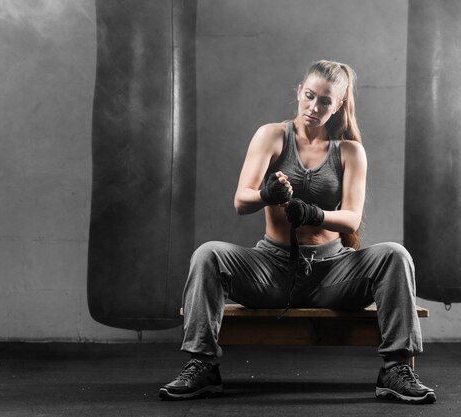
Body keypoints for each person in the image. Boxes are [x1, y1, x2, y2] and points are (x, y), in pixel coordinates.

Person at [159, 60, 436, 404]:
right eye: (309, 96)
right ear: (299, 92)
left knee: (396, 254)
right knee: (207, 254)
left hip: (333, 276)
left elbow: (351, 219)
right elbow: (241, 201)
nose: (313, 107)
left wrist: (315, 214)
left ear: (338, 106)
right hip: (272, 271)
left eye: (324, 101)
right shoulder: (273, 135)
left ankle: (395, 369)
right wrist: (265, 195)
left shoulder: (350, 152)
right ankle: (202, 366)